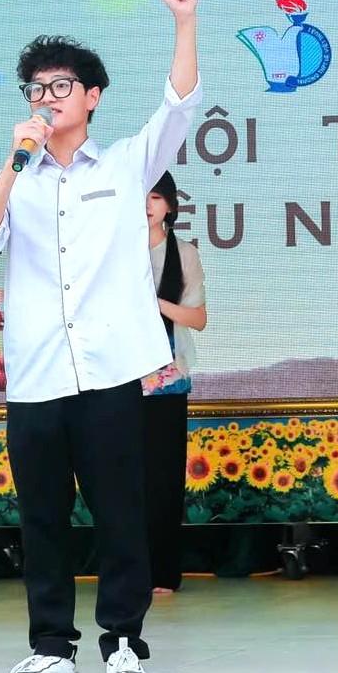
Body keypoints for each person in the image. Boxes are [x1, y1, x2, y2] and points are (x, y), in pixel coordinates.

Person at [0, 0, 202, 673]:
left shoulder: (127, 164)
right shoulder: (20, 176)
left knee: (119, 511)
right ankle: (52, 652)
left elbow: (180, 107)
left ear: (92, 95)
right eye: (36, 89)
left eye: (60, 86)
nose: (47, 98)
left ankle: (124, 646)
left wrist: (185, 22)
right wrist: (14, 161)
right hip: (36, 375)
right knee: (42, 518)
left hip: (106, 374)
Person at [142, 171, 208, 595]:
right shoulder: (114, 250)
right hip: (117, 378)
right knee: (121, 478)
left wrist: (152, 303)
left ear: (169, 204)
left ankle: (163, 572)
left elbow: (198, 318)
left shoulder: (183, 254)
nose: (145, 205)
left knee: (164, 478)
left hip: (166, 380)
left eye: (153, 196)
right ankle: (128, 570)